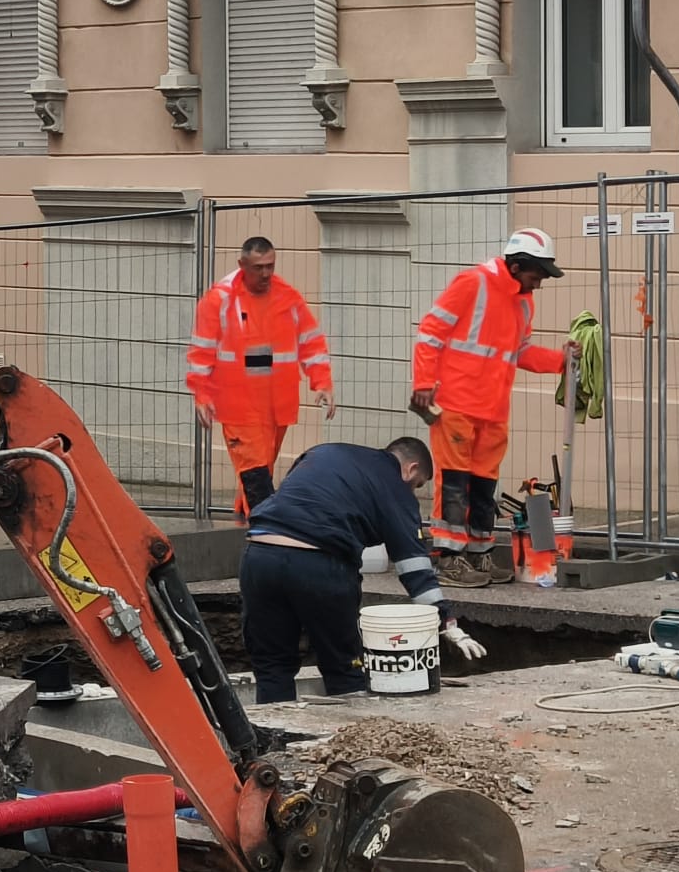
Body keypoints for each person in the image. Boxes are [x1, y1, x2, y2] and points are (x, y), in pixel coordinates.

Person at [241, 436, 487, 704]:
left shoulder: (322, 451)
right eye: (417, 485)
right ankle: (350, 739)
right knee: (345, 667)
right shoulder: (395, 487)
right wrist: (445, 620)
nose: (413, 492)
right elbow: (413, 564)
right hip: (320, 565)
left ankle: (274, 739)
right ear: (411, 469)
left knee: (272, 665)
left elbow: (297, 499)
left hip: (259, 556)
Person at [411, 228, 579, 588]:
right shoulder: (472, 283)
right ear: (517, 266)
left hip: (492, 409)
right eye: (538, 275)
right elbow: (430, 332)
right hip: (456, 403)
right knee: (454, 483)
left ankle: (479, 555)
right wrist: (424, 383)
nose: (540, 284)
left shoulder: (522, 301)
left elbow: (519, 352)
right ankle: (448, 559)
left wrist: (560, 360)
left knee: (484, 485)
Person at [187, 236, 335, 519]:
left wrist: (323, 381)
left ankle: (245, 530)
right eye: (259, 267)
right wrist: (202, 395)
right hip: (237, 406)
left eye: (270, 266)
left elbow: (311, 341)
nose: (266, 273)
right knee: (255, 475)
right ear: (242, 265)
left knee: (258, 474)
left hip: (277, 406)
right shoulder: (219, 300)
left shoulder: (286, 297)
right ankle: (268, 533)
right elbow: (202, 350)